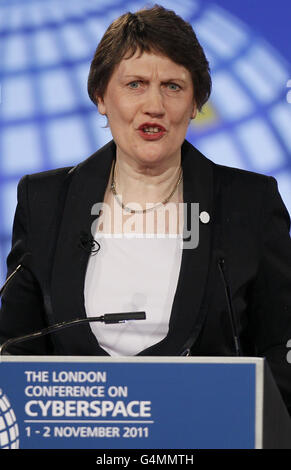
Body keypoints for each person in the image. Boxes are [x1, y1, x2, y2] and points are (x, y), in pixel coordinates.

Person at [0, 5, 291, 415]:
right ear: (101, 97)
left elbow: (281, 348)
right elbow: (15, 350)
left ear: (195, 103)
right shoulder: (45, 200)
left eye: (173, 86)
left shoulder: (249, 203)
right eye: (135, 84)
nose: (154, 105)